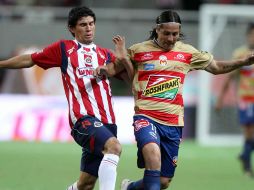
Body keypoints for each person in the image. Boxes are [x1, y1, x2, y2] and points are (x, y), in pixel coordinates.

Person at [95, 10, 254, 189]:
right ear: (157, 30)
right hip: (146, 117)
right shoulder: (139, 50)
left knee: (163, 181)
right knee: (153, 157)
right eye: (166, 34)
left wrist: (243, 62)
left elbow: (216, 67)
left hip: (173, 123)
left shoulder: (187, 53)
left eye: (175, 34)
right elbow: (113, 69)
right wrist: (103, 69)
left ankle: (129, 188)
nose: (171, 39)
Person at [0, 6, 131, 190]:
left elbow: (132, 81)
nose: (89, 28)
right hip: (83, 120)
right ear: (71, 28)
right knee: (114, 147)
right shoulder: (64, 49)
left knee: (85, 184)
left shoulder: (105, 54)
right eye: (83, 24)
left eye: (92, 24)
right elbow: (29, 59)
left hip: (108, 123)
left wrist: (123, 59)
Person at [215, 23, 254, 178]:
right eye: (252, 34)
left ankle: (245, 155)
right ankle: (246, 162)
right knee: (249, 132)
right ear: (247, 35)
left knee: (250, 135)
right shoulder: (240, 54)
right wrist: (220, 99)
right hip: (245, 99)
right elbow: (229, 77)